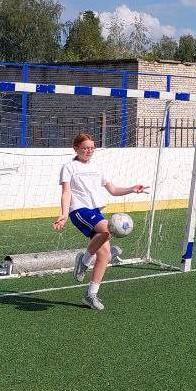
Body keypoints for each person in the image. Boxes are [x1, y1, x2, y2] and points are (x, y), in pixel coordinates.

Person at [53, 133, 147, 310]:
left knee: (104, 255)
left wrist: (132, 189)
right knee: (108, 229)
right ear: (76, 148)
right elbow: (66, 192)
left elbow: (113, 190)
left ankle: (91, 295)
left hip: (96, 211)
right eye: (85, 148)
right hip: (79, 211)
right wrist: (64, 214)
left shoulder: (97, 168)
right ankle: (84, 260)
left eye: (92, 148)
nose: (89, 151)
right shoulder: (69, 167)